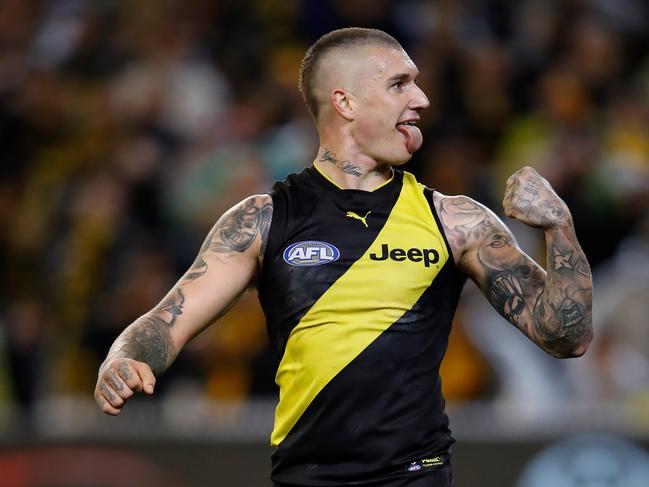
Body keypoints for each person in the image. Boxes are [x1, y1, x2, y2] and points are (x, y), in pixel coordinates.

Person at [94, 28, 593, 486]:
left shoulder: (456, 221)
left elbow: (566, 336)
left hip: (415, 476)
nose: (421, 99)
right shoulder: (262, 220)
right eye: (400, 85)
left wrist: (560, 227)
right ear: (345, 101)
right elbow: (164, 322)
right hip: (306, 479)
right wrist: (125, 356)